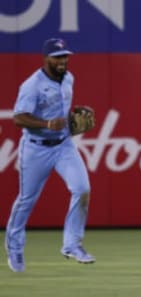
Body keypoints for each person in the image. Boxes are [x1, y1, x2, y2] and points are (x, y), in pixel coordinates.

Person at [5, 38, 95, 273]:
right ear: (46, 58)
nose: (62, 60)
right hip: (36, 148)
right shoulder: (32, 85)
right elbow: (19, 117)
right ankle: (14, 247)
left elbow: (63, 114)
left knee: (82, 188)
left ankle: (72, 244)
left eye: (65, 56)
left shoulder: (69, 79)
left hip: (63, 145)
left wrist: (74, 118)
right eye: (57, 57)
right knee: (27, 200)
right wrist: (45, 122)